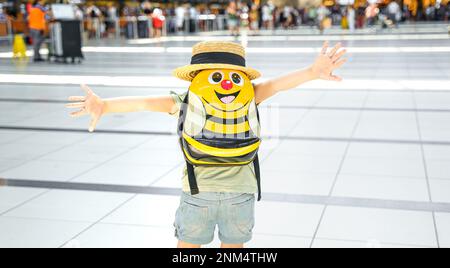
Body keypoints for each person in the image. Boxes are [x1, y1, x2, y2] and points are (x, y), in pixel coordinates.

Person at [66, 40, 347, 248]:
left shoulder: (186, 98)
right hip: (241, 192)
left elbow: (144, 102)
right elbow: (278, 84)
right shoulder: (250, 93)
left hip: (197, 191)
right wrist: (312, 71)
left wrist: (104, 105)